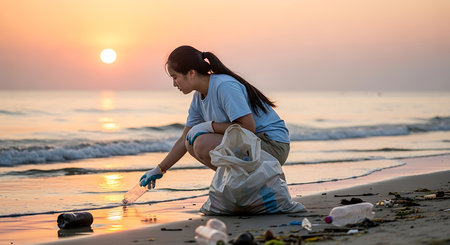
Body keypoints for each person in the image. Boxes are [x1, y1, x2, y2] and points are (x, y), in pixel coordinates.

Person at [139, 45, 290, 189]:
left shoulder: (223, 85)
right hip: (254, 144)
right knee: (190, 143)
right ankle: (243, 186)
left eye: (175, 77)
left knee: (201, 142)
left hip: (272, 145)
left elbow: (249, 127)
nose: (174, 84)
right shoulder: (198, 97)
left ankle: (248, 185)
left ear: (191, 73)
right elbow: (184, 138)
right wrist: (159, 169)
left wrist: (208, 126)